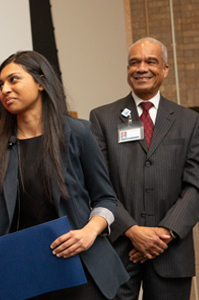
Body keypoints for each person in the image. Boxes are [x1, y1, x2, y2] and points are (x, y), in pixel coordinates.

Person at [0, 50, 129, 299]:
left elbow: (106, 199)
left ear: (41, 82)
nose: (5, 90)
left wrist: (89, 232)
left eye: (13, 79)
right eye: (0, 85)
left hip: (82, 265)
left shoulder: (78, 133)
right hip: (27, 270)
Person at [89, 37, 199, 300]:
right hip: (118, 249)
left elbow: (195, 185)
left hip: (171, 252)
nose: (141, 68)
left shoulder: (190, 121)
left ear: (165, 69)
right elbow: (97, 183)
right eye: (134, 62)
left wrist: (162, 235)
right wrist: (132, 231)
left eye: (151, 62)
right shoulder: (102, 118)